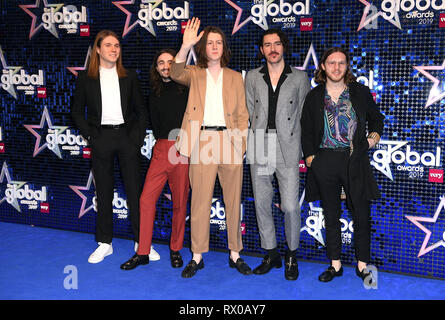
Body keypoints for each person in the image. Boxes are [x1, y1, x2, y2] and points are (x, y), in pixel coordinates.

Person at [170, 18, 251, 278]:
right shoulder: (194, 73)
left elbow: (242, 115)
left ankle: (235, 253)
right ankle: (196, 255)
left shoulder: (235, 77)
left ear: (223, 47)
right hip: (202, 140)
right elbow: (174, 72)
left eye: (218, 43)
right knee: (200, 202)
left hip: (230, 142)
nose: (214, 46)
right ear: (203, 47)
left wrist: (241, 145)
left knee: (233, 201)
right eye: (210, 43)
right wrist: (185, 46)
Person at [300, 47, 384, 283]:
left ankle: (362, 265)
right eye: (331, 62)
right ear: (323, 66)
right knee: (331, 213)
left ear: (347, 66)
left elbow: (377, 118)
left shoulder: (360, 92)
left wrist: (372, 139)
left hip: (354, 158)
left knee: (362, 214)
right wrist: (310, 159)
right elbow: (306, 130)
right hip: (324, 160)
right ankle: (335, 265)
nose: (336, 67)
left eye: (341, 63)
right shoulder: (314, 96)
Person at [71, 30, 148, 263]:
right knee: (103, 193)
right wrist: (91, 136)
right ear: (97, 50)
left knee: (135, 193)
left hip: (127, 138)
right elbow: (76, 111)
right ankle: (105, 243)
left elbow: (141, 111)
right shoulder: (86, 78)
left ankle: (141, 243)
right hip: (101, 138)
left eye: (116, 45)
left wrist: (136, 139)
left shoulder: (130, 76)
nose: (114, 49)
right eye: (108, 45)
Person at [245, 29, 311, 280]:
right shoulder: (252, 77)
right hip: (261, 145)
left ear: (284, 47)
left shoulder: (299, 78)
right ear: (261, 50)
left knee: (291, 206)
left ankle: (291, 255)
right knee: (262, 202)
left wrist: (306, 151)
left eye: (277, 44)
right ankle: (271, 253)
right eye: (267, 45)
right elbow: (250, 111)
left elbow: (305, 115)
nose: (272, 48)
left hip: (288, 147)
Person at [120, 49, 190, 270]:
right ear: (156, 68)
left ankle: (175, 249)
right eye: (161, 62)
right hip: (161, 149)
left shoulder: (188, 90)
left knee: (180, 203)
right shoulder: (153, 94)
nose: (166, 65)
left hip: (182, 148)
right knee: (145, 200)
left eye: (170, 61)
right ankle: (143, 252)